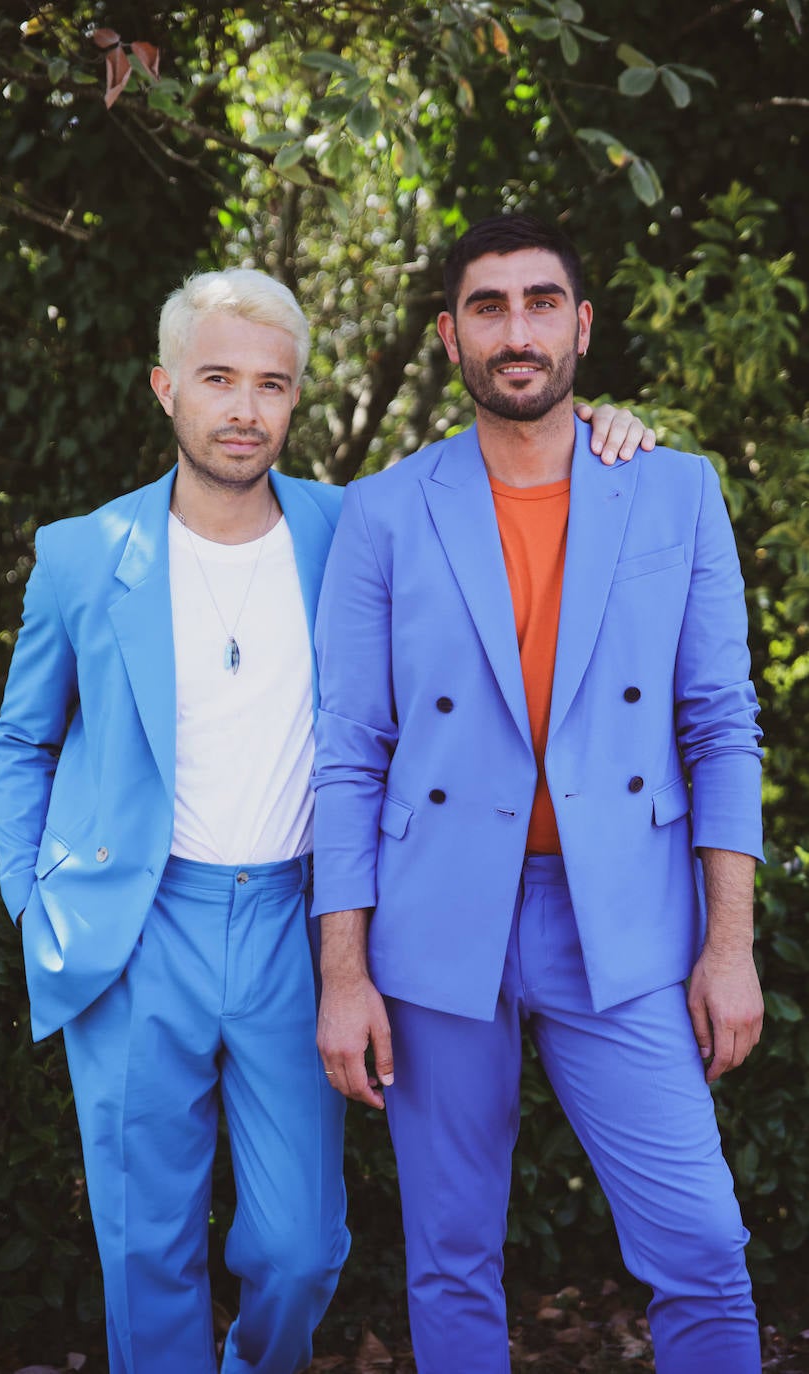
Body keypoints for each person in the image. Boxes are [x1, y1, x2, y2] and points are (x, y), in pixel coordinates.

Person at [0, 262, 648, 1374]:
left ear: (295, 398)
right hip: (140, 929)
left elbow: (507, 487)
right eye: (218, 379)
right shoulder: (83, 556)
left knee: (299, 1247)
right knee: (145, 1250)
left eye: (272, 385)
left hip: (301, 929)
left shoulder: (356, 529)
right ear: (164, 387)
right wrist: (33, 900)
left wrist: (603, 430)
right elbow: (20, 743)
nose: (245, 409)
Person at [311, 214, 764, 1374]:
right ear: (450, 336)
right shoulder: (381, 511)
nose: (518, 330)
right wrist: (345, 973)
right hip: (436, 915)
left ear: (582, 324)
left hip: (616, 911)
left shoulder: (673, 491)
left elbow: (718, 728)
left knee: (703, 1242)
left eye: (541, 301)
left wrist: (727, 947)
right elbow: (351, 750)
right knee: (450, 1254)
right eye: (489, 306)